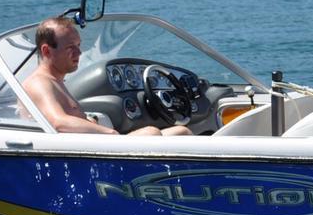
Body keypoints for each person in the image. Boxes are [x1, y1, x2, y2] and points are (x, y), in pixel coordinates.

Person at [24, 16, 192, 136]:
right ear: (47, 50)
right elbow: (58, 122)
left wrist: (89, 120)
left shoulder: (56, 82)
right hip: (87, 156)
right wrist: (110, 133)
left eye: (78, 45)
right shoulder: (40, 83)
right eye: (70, 47)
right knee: (152, 132)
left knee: (181, 131)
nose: (79, 52)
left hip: (95, 147)